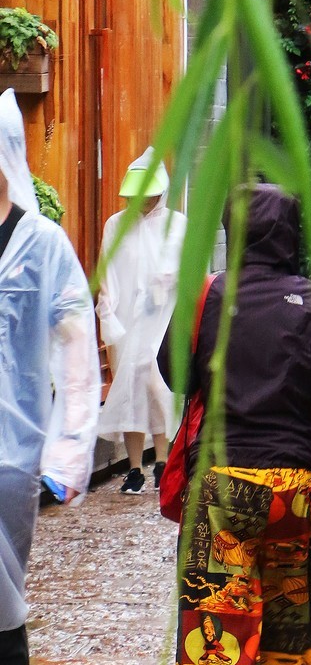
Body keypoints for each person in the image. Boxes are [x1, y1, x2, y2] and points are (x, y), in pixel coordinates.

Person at [158, 184, 311, 665]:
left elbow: (172, 371)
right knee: (291, 619)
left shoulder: (209, 296)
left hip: (224, 490)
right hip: (296, 488)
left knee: (220, 635)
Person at [0, 90, 100, 665]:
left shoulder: (43, 247)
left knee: (1, 602)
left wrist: (66, 455)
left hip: (11, 455)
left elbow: (78, 355)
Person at [95, 149, 185, 494]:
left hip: (163, 321)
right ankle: (135, 467)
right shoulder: (116, 225)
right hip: (126, 320)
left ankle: (161, 459)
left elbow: (191, 269)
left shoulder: (177, 225)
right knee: (130, 389)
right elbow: (108, 268)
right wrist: (108, 305)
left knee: (157, 387)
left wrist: (168, 282)